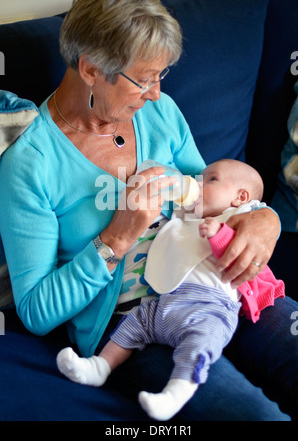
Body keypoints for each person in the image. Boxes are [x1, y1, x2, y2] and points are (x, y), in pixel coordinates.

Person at [0, 0, 296, 421]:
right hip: (137, 327)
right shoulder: (32, 165)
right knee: (254, 416)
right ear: (90, 69)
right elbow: (37, 312)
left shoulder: (158, 112)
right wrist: (115, 239)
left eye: (162, 76)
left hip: (222, 283)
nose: (157, 92)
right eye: (144, 79)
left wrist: (263, 217)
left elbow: (215, 188)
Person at [56, 159, 285, 420]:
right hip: (164, 303)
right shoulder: (189, 216)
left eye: (209, 179)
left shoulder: (232, 217)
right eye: (200, 177)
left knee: (198, 346)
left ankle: (174, 395)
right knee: (133, 327)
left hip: (210, 308)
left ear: (239, 198)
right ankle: (99, 367)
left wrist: (255, 223)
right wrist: (114, 240)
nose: (198, 181)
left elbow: (232, 251)